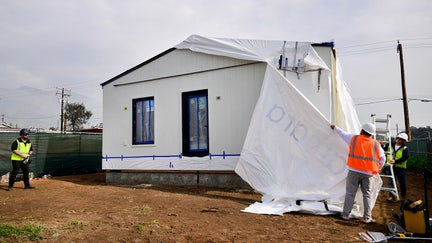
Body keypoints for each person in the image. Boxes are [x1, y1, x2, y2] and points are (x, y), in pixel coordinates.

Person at [330, 123, 385, 224]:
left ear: (362, 131)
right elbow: (382, 158)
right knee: (367, 195)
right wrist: (379, 168)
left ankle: (346, 214)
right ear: (371, 134)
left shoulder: (354, 139)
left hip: (354, 171)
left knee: (350, 193)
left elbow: (342, 134)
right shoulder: (376, 144)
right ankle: (367, 218)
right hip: (369, 174)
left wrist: (335, 127)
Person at [386, 132, 409, 202]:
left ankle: (403, 196)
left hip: (401, 168)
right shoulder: (390, 146)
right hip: (391, 167)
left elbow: (405, 157)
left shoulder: (404, 148)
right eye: (400, 139)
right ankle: (392, 196)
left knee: (402, 182)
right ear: (397, 138)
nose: (400, 141)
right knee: (391, 182)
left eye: (403, 140)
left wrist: (396, 161)